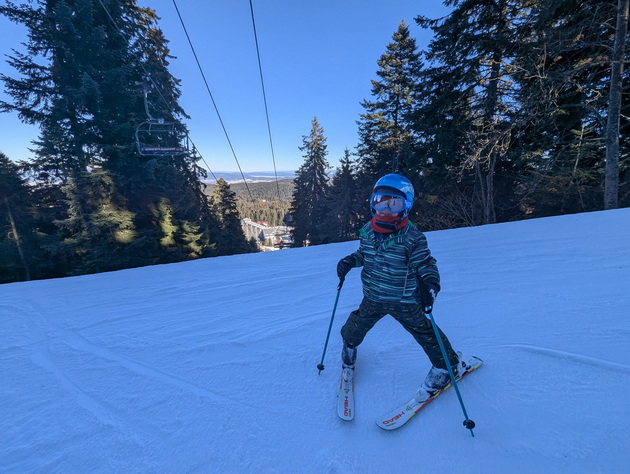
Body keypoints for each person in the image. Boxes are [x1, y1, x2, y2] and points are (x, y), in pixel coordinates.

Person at [336, 173, 464, 402]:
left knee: (426, 333)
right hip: (373, 296)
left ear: (406, 206)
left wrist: (430, 285)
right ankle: (349, 347)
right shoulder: (367, 231)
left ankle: (448, 366)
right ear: (372, 202)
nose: (385, 209)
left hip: (405, 300)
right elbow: (364, 254)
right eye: (379, 200)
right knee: (355, 325)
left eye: (393, 203)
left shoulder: (412, 237)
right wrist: (350, 261)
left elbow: (425, 264)